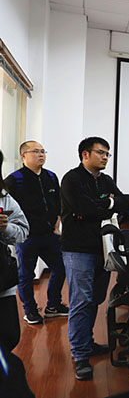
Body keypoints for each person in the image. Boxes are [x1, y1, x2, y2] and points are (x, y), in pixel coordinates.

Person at [60, 137, 129, 381]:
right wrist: (108, 204)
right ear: (85, 154)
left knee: (95, 299)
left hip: (102, 248)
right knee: (81, 301)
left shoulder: (106, 180)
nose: (105, 157)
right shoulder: (72, 179)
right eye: (101, 152)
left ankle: (87, 343)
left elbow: (124, 203)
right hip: (78, 249)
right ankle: (80, 354)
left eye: (107, 154)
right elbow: (84, 208)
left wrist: (105, 204)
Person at [4, 140, 67, 324]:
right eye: (36, 151)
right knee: (26, 275)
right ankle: (30, 311)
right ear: (24, 156)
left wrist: (57, 225)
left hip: (50, 235)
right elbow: (7, 207)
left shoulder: (51, 176)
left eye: (43, 151)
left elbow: (59, 203)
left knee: (61, 267)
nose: (41, 154)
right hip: (27, 238)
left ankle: (53, 305)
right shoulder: (14, 179)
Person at [0, 149, 34, 398]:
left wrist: (7, 228)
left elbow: (23, 231)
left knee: (9, 337)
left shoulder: (4, 198)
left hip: (2, 284)